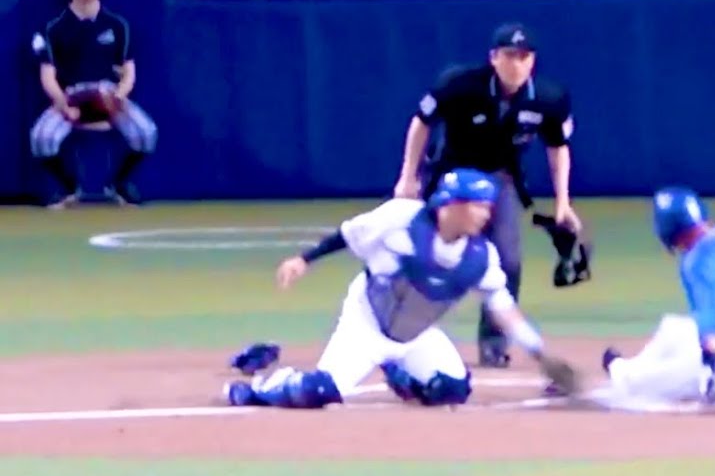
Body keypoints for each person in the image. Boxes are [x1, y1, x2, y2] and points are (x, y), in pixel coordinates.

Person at [221, 168, 579, 409]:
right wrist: (304, 260)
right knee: (319, 391)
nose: (486, 215)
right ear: (451, 204)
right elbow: (348, 234)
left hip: (416, 333)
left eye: (488, 208)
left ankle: (399, 372)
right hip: (367, 322)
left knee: (451, 390)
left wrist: (541, 354)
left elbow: (505, 312)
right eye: (478, 206)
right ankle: (258, 387)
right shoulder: (401, 219)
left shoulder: (480, 257)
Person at [391, 23, 583, 369]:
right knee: (420, 252)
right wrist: (408, 176)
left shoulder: (548, 97)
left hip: (497, 182)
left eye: (524, 57)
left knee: (508, 262)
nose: (517, 64)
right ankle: (396, 332)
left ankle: (494, 343)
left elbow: (557, 147)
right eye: (509, 55)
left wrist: (563, 202)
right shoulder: (460, 84)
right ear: (494, 58)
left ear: (533, 61)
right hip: (449, 176)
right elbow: (421, 122)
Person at [599, 187, 715, 408]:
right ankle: (630, 367)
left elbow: (711, 336)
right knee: (673, 328)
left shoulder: (698, 262)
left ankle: (625, 375)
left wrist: (708, 382)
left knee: (640, 386)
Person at [29, 0, 159, 208]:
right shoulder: (53, 27)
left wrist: (117, 97)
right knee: (41, 139)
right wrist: (63, 104)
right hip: (71, 97)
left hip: (107, 92)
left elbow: (129, 72)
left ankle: (119, 184)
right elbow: (48, 76)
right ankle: (68, 188)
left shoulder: (117, 25)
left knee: (146, 133)